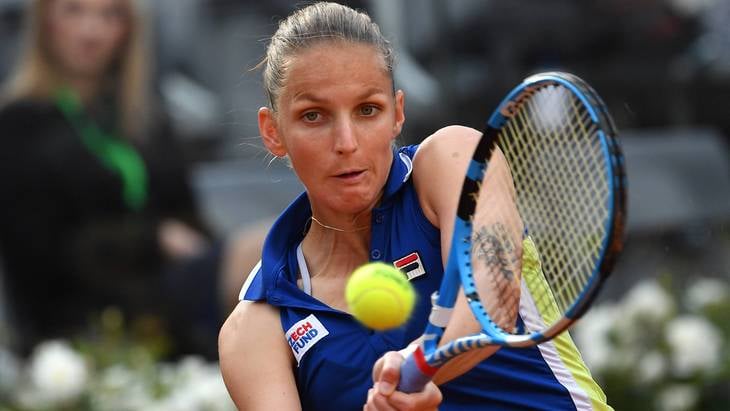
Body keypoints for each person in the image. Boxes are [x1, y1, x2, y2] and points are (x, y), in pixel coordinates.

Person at [218, 2, 612, 410]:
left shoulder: (453, 160)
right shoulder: (256, 326)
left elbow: (490, 298)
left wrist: (419, 365)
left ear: (397, 114)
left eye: (368, 110)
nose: (346, 142)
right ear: (273, 131)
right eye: (314, 116)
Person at [0, 0, 251, 359]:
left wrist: (202, 251)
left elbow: (186, 211)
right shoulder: (19, 124)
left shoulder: (143, 115)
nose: (92, 31)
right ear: (46, 23)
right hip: (90, 308)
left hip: (172, 282)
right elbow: (42, 256)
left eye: (110, 15)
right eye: (74, 11)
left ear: (129, 30)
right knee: (262, 256)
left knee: (276, 255)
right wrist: (152, 238)